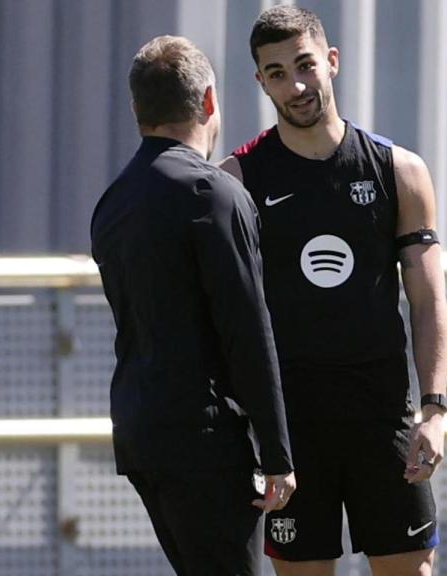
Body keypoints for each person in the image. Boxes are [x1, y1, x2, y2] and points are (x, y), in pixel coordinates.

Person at [218, 6, 447, 576]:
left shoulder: (400, 171)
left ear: (332, 61)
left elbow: (427, 300)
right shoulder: (237, 181)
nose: (296, 86)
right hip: (290, 433)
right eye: (277, 73)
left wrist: (434, 410)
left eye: (305, 65)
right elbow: (222, 315)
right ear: (260, 81)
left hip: (383, 418)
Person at [90, 35, 296, 576]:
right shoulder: (212, 193)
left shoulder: (114, 201)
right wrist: (278, 453)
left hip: (140, 432)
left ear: (138, 110)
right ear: (208, 100)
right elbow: (246, 329)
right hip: (205, 437)